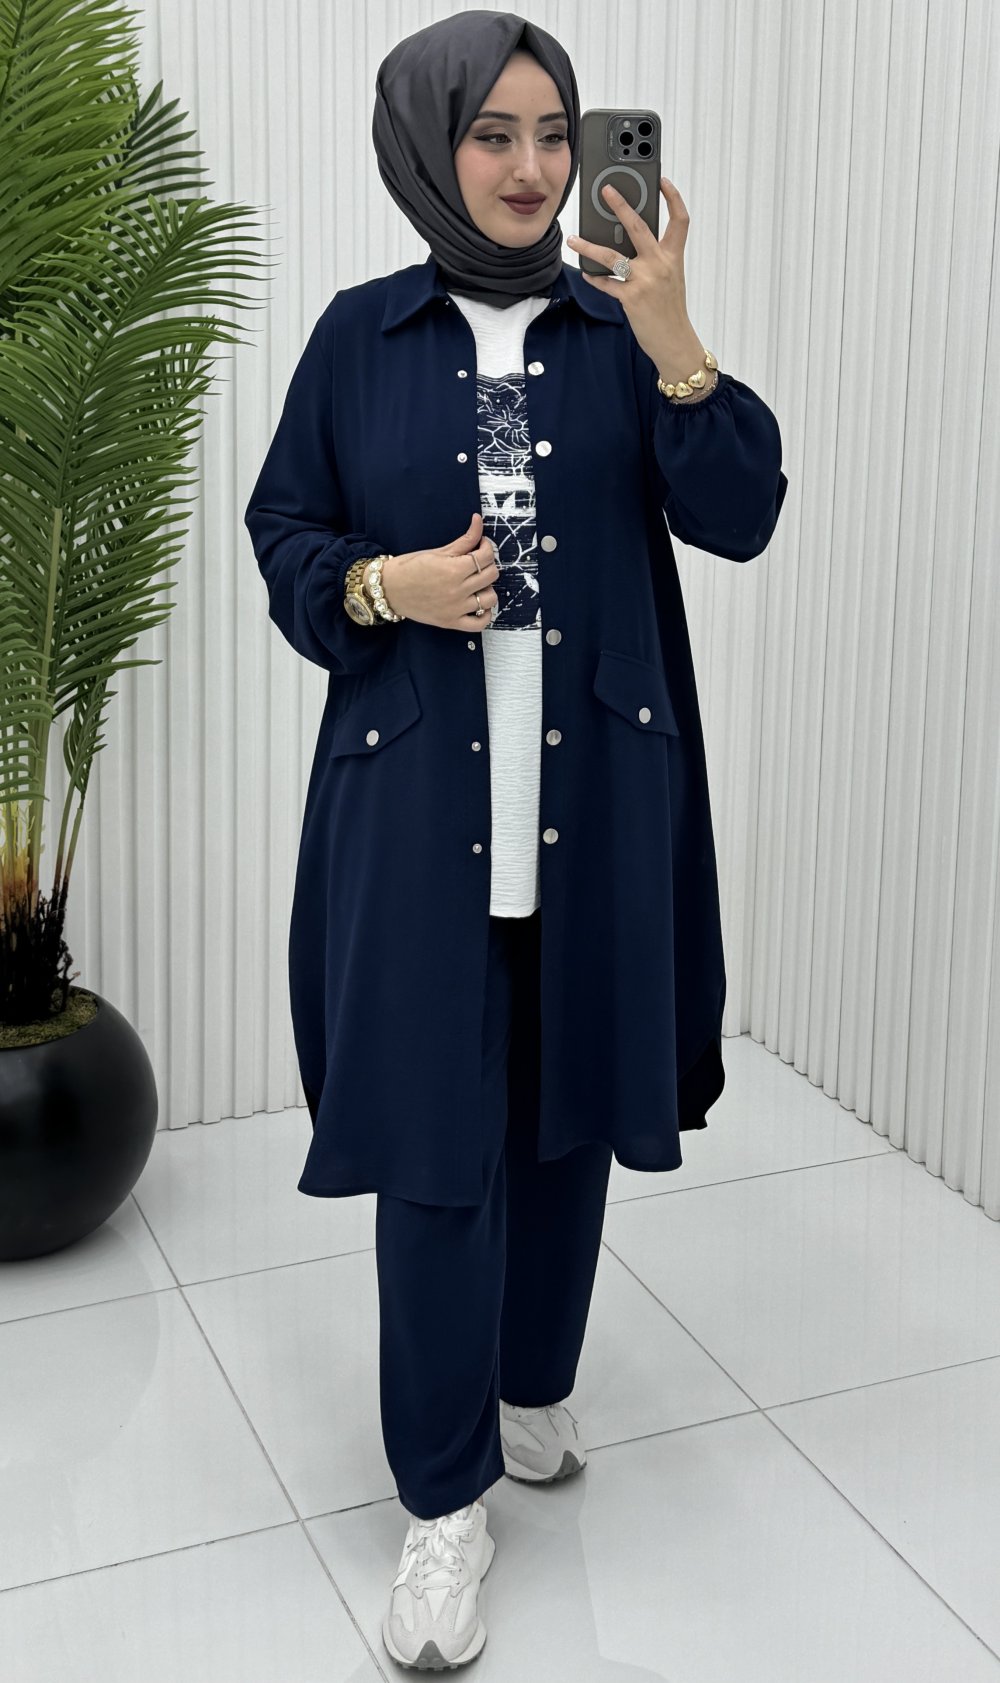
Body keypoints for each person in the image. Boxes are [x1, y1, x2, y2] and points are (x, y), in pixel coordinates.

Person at [244, 9, 787, 1671]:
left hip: (597, 798)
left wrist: (677, 336)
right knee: (438, 1147)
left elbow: (742, 512)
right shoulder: (359, 338)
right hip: (422, 809)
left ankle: (533, 1388)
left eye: (556, 132)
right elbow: (286, 532)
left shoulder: (622, 330)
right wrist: (380, 585)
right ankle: (441, 1503)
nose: (534, 166)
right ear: (431, 144)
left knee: (569, 1117)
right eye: (494, 133)